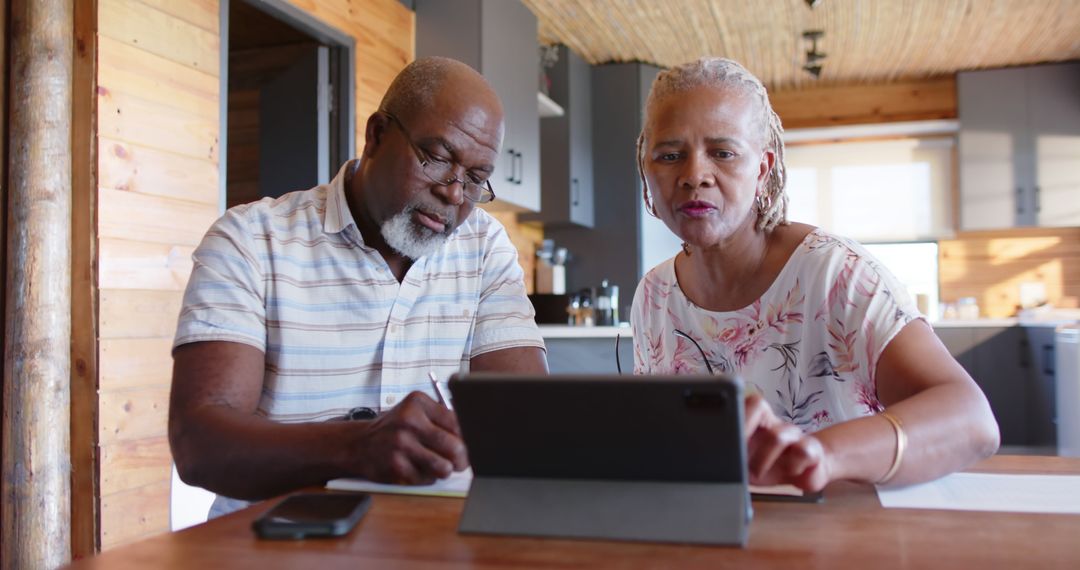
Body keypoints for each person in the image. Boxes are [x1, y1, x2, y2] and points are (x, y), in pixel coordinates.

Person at [169, 57, 548, 516]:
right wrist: (355, 446)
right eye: (438, 158)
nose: (453, 193)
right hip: (270, 545)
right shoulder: (251, 240)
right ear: (376, 135)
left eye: (475, 179)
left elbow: (523, 420)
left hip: (424, 542)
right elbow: (200, 444)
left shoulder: (483, 247)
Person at [631, 57, 999, 492]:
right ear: (646, 168)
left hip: (840, 532)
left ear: (763, 169)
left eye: (723, 153)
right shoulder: (654, 295)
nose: (694, 175)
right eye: (670, 156)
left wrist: (823, 455)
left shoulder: (835, 275)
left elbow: (973, 422)